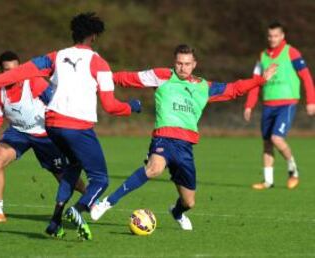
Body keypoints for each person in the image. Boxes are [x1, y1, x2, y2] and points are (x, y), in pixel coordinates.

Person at [0, 13, 141, 240]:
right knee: (100, 179)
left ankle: (54, 222)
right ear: (93, 36)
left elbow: (22, 71)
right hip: (77, 127)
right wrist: (132, 106)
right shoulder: (99, 63)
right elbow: (110, 106)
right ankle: (78, 210)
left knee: (70, 170)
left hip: (51, 125)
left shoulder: (56, 56)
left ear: (73, 33)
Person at [90, 44, 277, 231]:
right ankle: (107, 203)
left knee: (189, 202)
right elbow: (128, 79)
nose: (182, 67)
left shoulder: (204, 87)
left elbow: (235, 88)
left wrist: (260, 80)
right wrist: (101, 76)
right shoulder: (162, 76)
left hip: (185, 147)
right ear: (174, 63)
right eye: (179, 63)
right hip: (164, 138)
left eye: (187, 64)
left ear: (194, 64)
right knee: (154, 169)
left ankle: (177, 212)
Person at [0, 51, 86, 224]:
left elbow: (57, 104)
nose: (12, 74)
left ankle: (91, 196)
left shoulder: (34, 83)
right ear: (0, 71)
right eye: (7, 70)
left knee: (64, 176)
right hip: (18, 133)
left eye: (15, 69)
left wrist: (69, 130)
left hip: (45, 134)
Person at [243, 22, 315, 190]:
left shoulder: (291, 52)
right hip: (268, 104)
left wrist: (311, 101)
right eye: (270, 36)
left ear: (282, 36)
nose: (273, 39)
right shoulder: (262, 57)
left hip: (287, 103)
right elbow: (255, 82)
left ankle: (293, 170)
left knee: (277, 138)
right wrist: (249, 105)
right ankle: (268, 181)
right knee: (267, 142)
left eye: (276, 36)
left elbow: (306, 77)